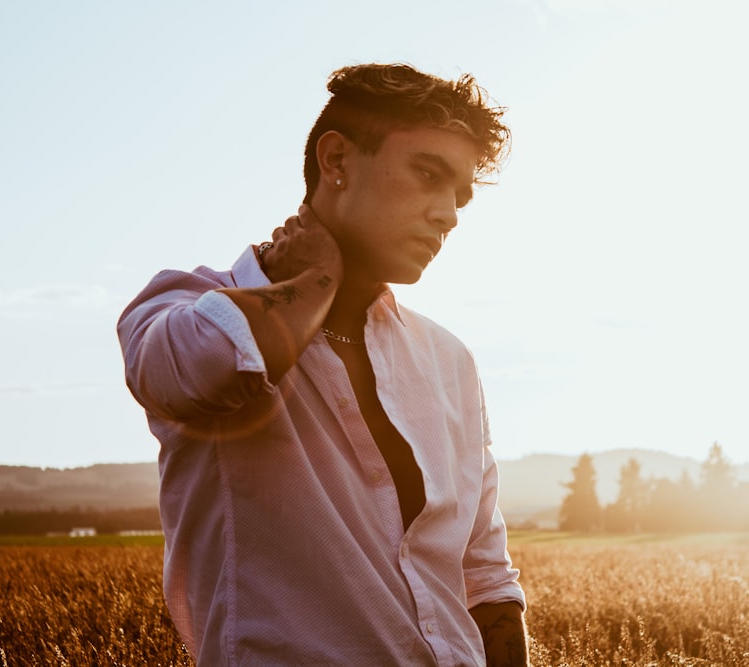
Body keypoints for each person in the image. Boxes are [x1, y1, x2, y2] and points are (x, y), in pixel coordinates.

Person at [118, 62, 527, 666]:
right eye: (426, 175)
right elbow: (189, 376)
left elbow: (485, 577)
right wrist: (318, 277)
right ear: (335, 162)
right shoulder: (183, 308)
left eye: (459, 196)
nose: (449, 214)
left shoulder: (448, 360)